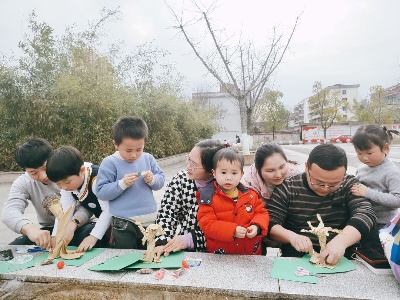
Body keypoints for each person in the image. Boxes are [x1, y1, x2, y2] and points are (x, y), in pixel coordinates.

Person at [267, 143, 377, 266]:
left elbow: (366, 213)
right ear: (306, 167)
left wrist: (341, 241)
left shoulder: (348, 184)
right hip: (297, 257)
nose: (325, 189)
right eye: (318, 182)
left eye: (333, 184)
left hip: (340, 257)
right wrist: (293, 237)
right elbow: (271, 224)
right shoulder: (288, 188)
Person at [1, 138, 92, 249]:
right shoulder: (24, 182)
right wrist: (30, 229)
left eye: (45, 167)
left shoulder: (71, 172)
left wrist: (73, 223)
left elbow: (89, 205)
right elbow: (9, 211)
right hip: (49, 230)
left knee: (91, 235)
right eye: (34, 173)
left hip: (80, 226)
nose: (44, 176)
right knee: (16, 248)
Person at [95, 116, 165, 249]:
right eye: (128, 150)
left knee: (150, 254)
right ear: (116, 144)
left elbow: (160, 180)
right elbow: (101, 192)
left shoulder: (148, 158)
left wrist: (153, 180)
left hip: (149, 219)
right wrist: (122, 184)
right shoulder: (110, 163)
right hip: (123, 222)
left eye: (139, 149)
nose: (133, 155)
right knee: (125, 256)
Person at [155, 139, 225, 256]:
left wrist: (190, 239)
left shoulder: (224, 188)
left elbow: (223, 229)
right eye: (189, 160)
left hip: (214, 253)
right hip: (183, 251)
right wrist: (162, 240)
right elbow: (167, 213)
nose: (188, 166)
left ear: (211, 171)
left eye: (194, 165)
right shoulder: (181, 180)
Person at [197, 148, 269, 255]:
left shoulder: (250, 195)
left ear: (241, 174)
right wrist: (232, 231)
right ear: (214, 173)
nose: (229, 178)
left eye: (234, 173)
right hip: (222, 255)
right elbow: (207, 224)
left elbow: (262, 213)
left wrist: (256, 226)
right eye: (223, 172)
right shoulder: (208, 197)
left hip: (250, 253)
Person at [46, 146, 111, 252]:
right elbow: (64, 212)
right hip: (107, 221)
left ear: (82, 170)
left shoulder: (97, 180)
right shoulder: (68, 186)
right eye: (58, 184)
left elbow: (108, 210)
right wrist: (56, 235)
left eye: (67, 182)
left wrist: (93, 237)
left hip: (124, 220)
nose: (64, 188)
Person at [350, 125, 400, 253]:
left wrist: (367, 192)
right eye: (359, 153)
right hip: (364, 221)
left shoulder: (392, 172)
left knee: (378, 257)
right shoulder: (361, 168)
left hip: (384, 227)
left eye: (369, 153)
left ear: (385, 148)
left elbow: (397, 200)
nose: (364, 158)